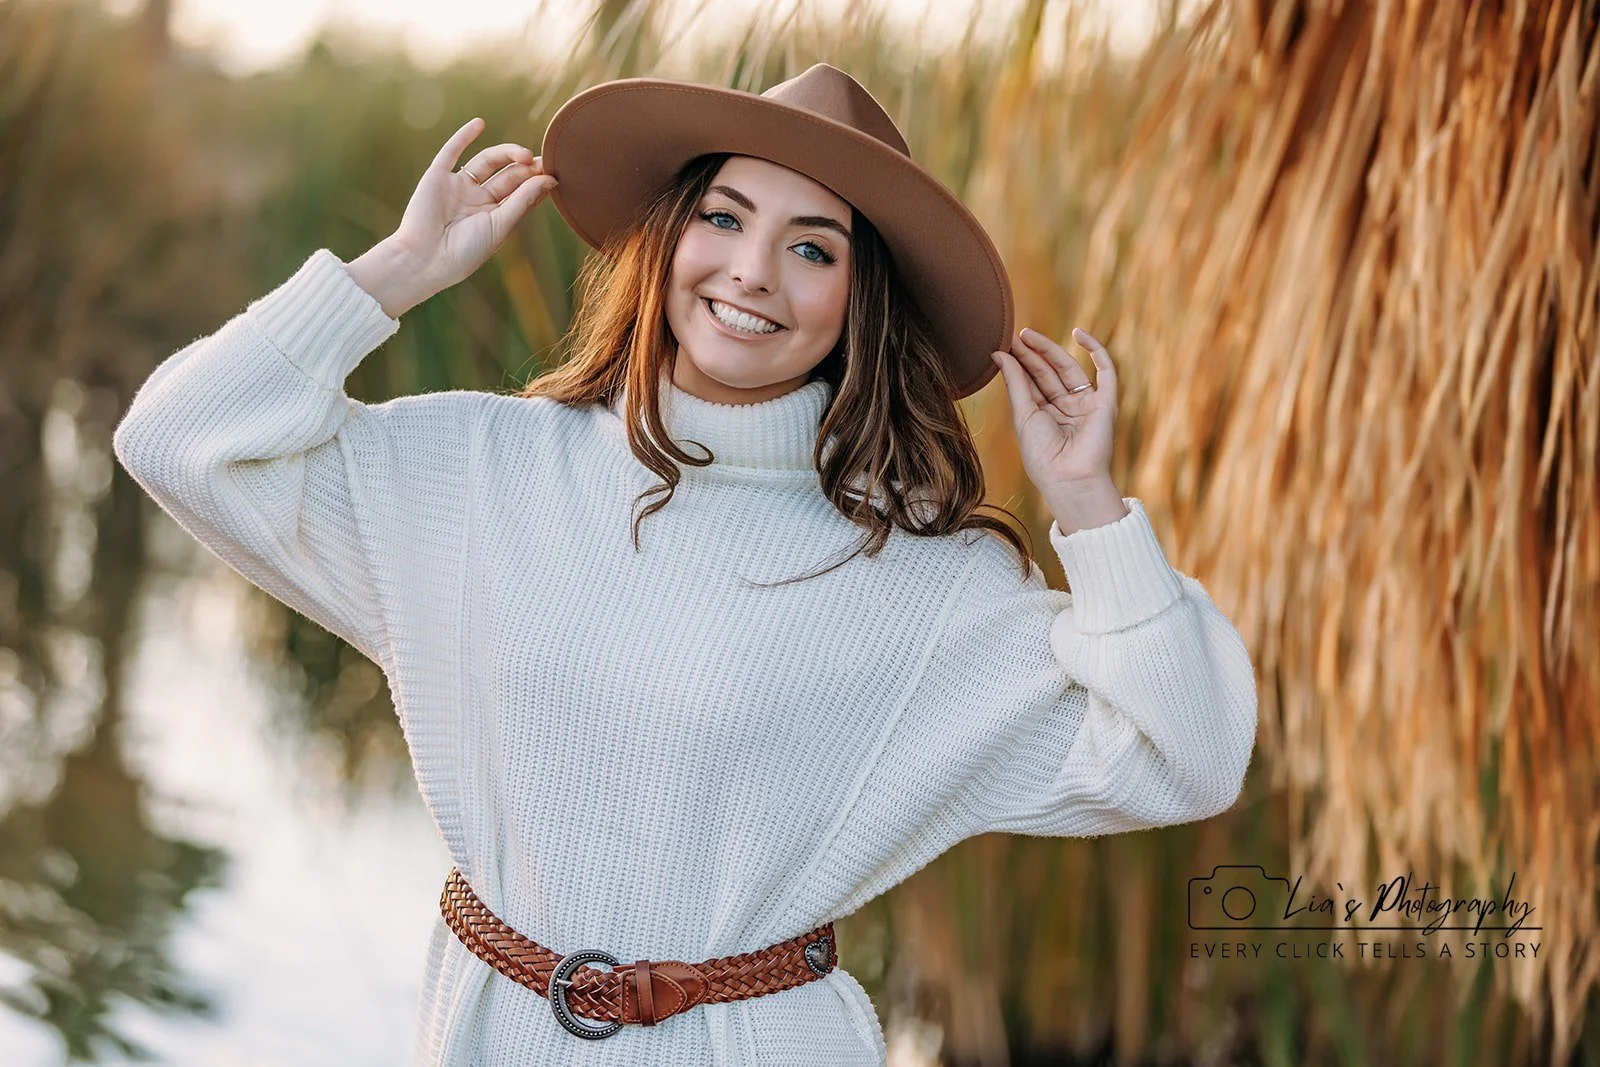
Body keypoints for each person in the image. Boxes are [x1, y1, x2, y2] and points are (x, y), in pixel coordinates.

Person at [112, 63, 1258, 1067]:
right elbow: (174, 441)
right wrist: (397, 272)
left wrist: (1091, 513)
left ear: (860, 302)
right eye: (723, 216)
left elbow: (1185, 758)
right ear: (668, 234)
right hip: (478, 1032)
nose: (752, 271)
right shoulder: (471, 467)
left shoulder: (922, 578)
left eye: (812, 247)